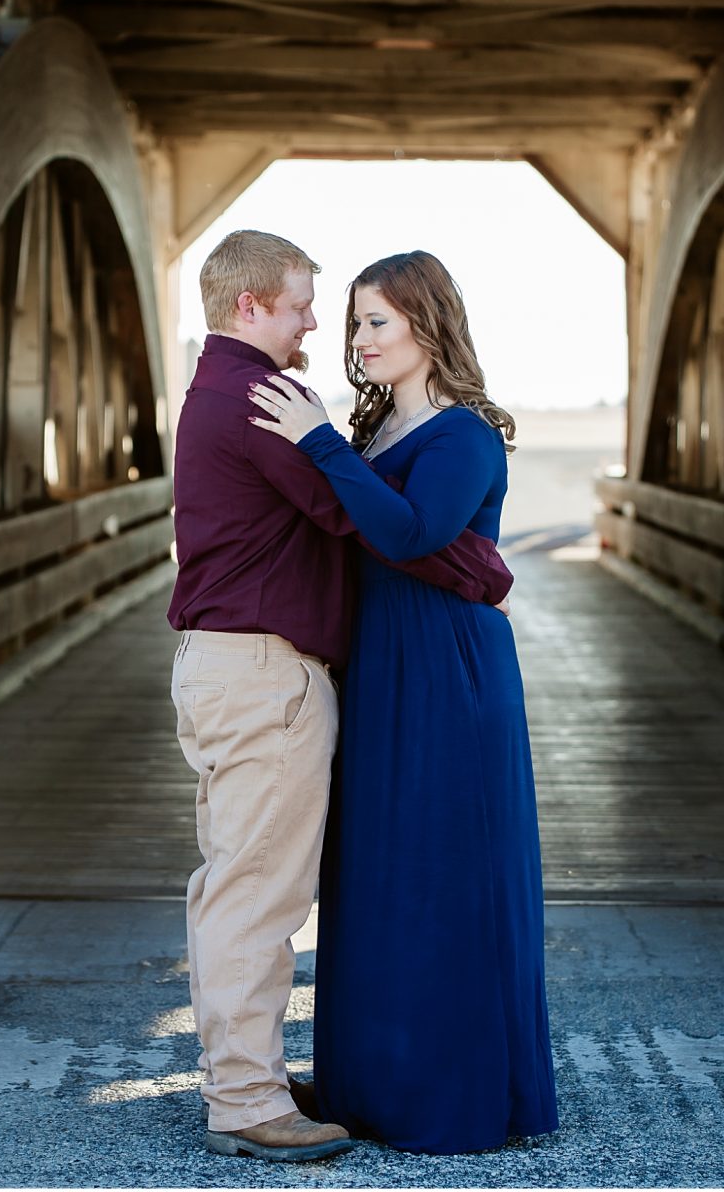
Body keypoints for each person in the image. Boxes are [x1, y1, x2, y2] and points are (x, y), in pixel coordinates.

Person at [168, 231, 515, 1164]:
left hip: (244, 667)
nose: (323, 326)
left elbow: (369, 514)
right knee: (255, 893)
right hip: (262, 673)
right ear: (250, 308)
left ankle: (254, 1082)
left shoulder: (229, 391)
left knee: (239, 885)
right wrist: (482, 567)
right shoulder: (261, 400)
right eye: (303, 304)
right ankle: (244, 1100)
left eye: (364, 317)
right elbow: (362, 522)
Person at [247, 249, 559, 1156]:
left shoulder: (462, 434)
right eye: (353, 323)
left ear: (427, 324)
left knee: (442, 873)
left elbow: (410, 532)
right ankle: (368, 1084)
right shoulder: (375, 432)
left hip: (448, 673)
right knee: (376, 871)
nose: (359, 339)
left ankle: (444, 1098)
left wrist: (317, 443)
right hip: (382, 665)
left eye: (377, 321)